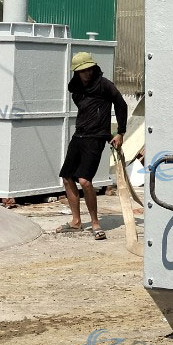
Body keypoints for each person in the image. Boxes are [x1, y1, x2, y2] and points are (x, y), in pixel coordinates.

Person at [57, 52, 127, 240]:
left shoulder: (104, 84)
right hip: (79, 135)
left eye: (89, 69)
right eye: (83, 71)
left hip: (96, 138)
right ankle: (76, 222)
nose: (87, 73)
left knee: (85, 181)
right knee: (67, 177)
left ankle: (95, 224)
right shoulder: (76, 88)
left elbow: (121, 104)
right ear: (77, 72)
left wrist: (120, 132)